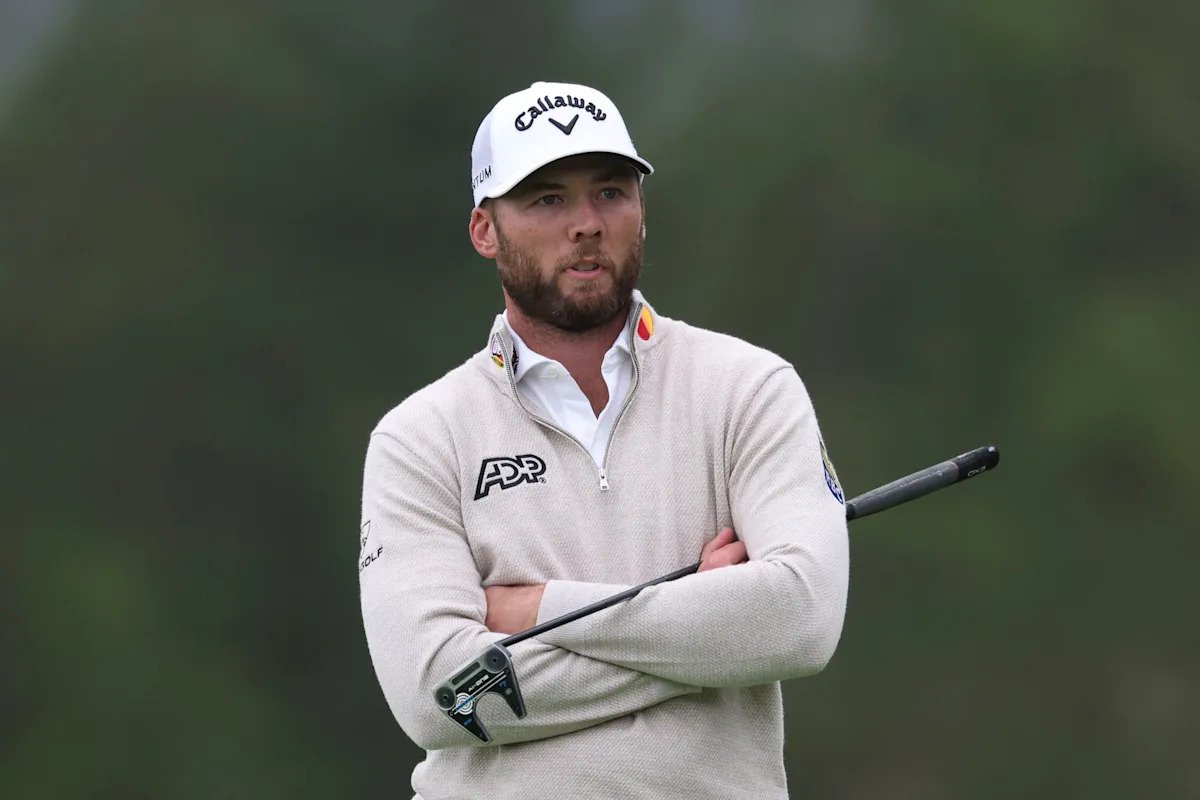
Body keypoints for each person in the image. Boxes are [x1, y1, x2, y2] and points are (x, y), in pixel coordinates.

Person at [359, 80, 850, 800]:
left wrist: (540, 610)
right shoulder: (419, 438)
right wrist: (705, 631)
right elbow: (439, 694)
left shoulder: (749, 388)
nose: (586, 223)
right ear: (485, 230)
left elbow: (799, 621)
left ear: (641, 211)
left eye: (611, 192)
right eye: (547, 200)